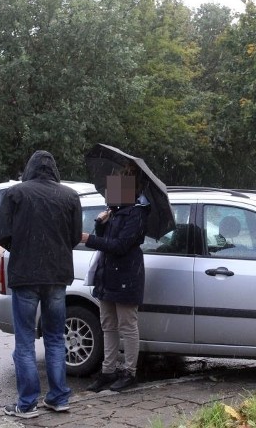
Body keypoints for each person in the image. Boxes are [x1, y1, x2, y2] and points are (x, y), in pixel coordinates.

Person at [0, 150, 82, 419]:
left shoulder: (16, 194)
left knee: (25, 341)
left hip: (25, 276)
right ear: (54, 169)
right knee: (56, 338)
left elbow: (1, 233)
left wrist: (21, 248)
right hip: (57, 275)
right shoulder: (70, 196)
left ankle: (27, 403)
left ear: (29, 168)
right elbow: (75, 236)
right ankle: (58, 397)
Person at [81, 166, 150, 393]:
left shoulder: (137, 213)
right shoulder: (115, 210)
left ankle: (130, 372)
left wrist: (89, 238)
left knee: (127, 325)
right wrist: (100, 225)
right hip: (107, 274)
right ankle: (108, 371)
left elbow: (120, 245)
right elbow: (107, 239)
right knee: (107, 325)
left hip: (127, 275)